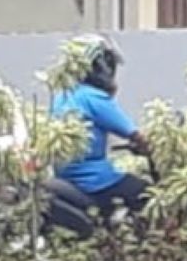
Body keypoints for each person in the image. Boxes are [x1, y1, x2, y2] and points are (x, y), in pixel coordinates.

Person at [50, 34, 152, 225]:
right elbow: (136, 135)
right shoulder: (94, 98)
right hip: (95, 180)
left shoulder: (61, 96)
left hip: (66, 178)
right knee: (149, 195)